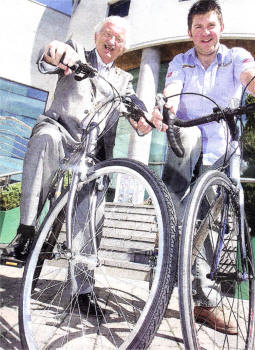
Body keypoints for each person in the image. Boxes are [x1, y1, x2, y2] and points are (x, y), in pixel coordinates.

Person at [3, 16, 164, 317]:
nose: (111, 41)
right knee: (45, 139)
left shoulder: (123, 80)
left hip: (90, 154)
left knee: (91, 211)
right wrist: (57, 52)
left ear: (123, 48)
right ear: (97, 35)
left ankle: (82, 292)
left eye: (118, 39)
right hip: (60, 131)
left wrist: (146, 120)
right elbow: (49, 55)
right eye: (107, 34)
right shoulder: (76, 49)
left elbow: (136, 114)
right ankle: (25, 231)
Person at [153, 0, 255, 334]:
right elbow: (171, 92)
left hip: (220, 151)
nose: (204, 33)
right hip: (184, 143)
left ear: (221, 28)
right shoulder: (180, 62)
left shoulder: (236, 57)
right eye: (197, 27)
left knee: (209, 225)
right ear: (190, 32)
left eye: (210, 25)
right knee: (174, 208)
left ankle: (204, 303)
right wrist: (165, 109)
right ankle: (164, 277)